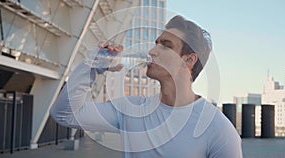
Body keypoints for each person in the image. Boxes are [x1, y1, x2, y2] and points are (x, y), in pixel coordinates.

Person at [50, 15, 243, 158]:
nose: (152, 51)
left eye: (166, 46)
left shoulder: (218, 129)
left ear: (189, 60)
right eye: (156, 44)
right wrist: (93, 65)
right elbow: (65, 115)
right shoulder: (131, 109)